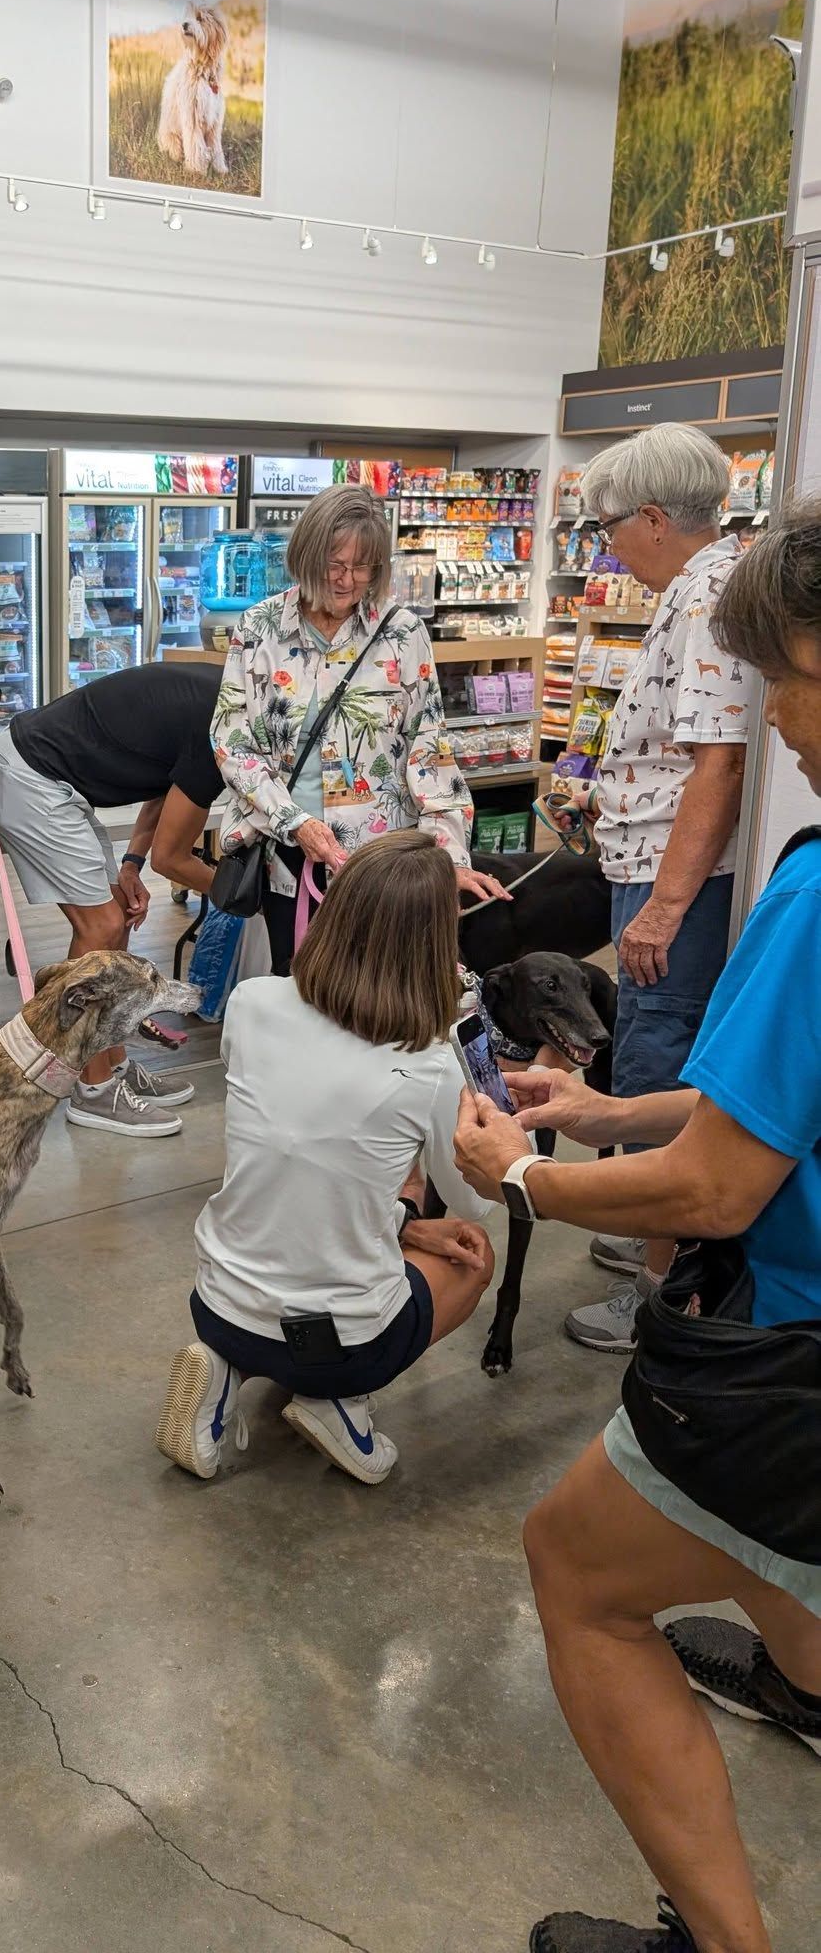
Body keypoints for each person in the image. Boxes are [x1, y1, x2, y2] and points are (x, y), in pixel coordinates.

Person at [452, 505, 821, 1953]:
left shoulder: (812, 903)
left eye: (784, 679)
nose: (775, 721)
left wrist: (524, 1179)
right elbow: (765, 1115)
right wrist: (602, 1118)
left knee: (577, 1572)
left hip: (784, 1355)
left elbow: (718, 1191)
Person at [155, 829, 496, 1484]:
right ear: (435, 946)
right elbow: (477, 1195)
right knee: (472, 1254)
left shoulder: (253, 1004)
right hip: (342, 1346)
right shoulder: (429, 1064)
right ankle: (336, 1402)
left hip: (216, 1302)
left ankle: (224, 1373)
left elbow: (297, 1141)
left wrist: (397, 1209)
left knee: (346, 1194)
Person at [559, 424, 751, 1358]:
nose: (607, 550)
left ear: (650, 517)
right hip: (647, 869)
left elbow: (719, 762)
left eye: (606, 530)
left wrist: (668, 907)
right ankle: (650, 1233)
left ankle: (660, 1294)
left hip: (672, 883)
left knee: (655, 1064)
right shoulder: (698, 588)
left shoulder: (708, 595)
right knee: (651, 1048)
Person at [211, 482, 508, 978]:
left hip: (382, 867)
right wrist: (295, 823)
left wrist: (449, 858)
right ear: (306, 555)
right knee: (300, 992)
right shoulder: (258, 629)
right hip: (289, 857)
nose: (348, 580)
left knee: (377, 999)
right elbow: (232, 742)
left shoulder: (402, 632)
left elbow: (430, 749)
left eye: (363, 567)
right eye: (335, 564)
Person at [0, 661, 223, 1137]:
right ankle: (92, 1091)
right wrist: (241, 896)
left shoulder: (223, 700)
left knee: (115, 922)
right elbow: (172, 860)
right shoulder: (222, 728)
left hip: (48, 774)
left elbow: (167, 791)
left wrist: (129, 863)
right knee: (102, 927)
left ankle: (111, 1065)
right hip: (35, 775)